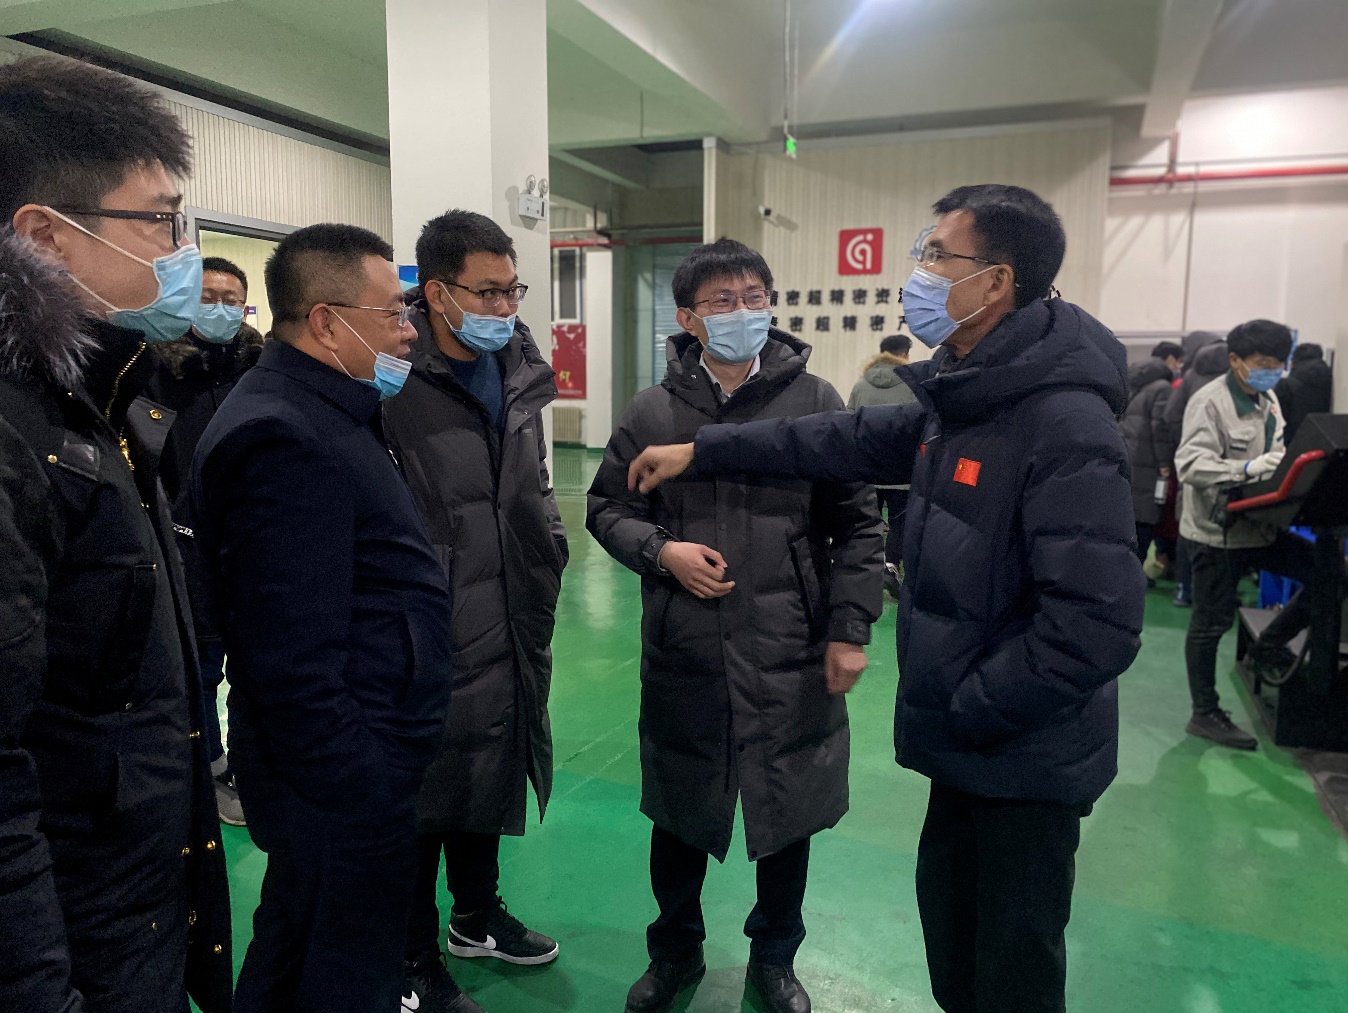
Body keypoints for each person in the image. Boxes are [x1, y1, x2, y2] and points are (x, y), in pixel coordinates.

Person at [626, 186, 1145, 1013]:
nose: (920, 272)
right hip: (970, 750)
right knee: (959, 956)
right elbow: (834, 439)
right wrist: (704, 448)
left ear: (996, 281)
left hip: (1020, 755)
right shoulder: (970, 397)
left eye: (938, 254)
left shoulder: (1061, 419)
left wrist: (967, 703)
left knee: (1011, 967)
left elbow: (1097, 624)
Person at [588, 238, 884, 1013]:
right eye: (723, 300)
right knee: (680, 810)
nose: (743, 311)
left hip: (790, 647)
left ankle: (775, 958)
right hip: (687, 646)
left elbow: (858, 523)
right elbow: (607, 508)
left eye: (755, 296)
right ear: (688, 317)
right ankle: (674, 951)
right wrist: (663, 551)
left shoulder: (816, 400)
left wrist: (849, 626)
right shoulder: (651, 410)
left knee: (787, 811)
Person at [0, 56, 230, 1013]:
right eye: (162, 221)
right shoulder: (17, 435)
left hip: (134, 891)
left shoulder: (100, 400)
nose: (182, 251)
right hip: (79, 931)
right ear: (44, 236)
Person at [190, 223, 453, 1013]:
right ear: (328, 323)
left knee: (298, 944)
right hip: (337, 780)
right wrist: (363, 782)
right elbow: (289, 658)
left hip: (347, 764)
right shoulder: (283, 434)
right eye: (394, 312)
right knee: (345, 972)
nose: (409, 330)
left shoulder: (329, 407)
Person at [381, 210, 566, 1013]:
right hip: (431, 614)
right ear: (436, 291)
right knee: (427, 788)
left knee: (490, 761)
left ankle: (476, 915)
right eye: (486, 292)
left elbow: (533, 478)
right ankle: (411, 956)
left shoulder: (518, 366)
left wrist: (547, 544)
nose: (504, 307)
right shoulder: (391, 373)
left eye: (512, 289)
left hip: (513, 601)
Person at [150, 255, 265, 828]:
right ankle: (209, 766)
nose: (220, 308)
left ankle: (250, 764)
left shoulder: (259, 367)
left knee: (255, 661)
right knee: (200, 666)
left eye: (231, 299)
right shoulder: (158, 371)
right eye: (208, 297)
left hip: (253, 542)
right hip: (187, 545)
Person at [1175, 319, 1313, 751]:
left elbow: (1278, 451)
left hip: (1261, 526)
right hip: (1217, 532)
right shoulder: (1210, 402)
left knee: (1330, 573)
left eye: (1278, 364)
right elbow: (1190, 465)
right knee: (1211, 623)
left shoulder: (1269, 399)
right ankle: (1204, 713)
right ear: (1236, 360)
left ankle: (1267, 646)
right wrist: (1247, 468)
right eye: (1263, 363)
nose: (1272, 371)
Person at [1162, 334, 1228, 606]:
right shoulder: (1233, 381)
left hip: (1192, 462)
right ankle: (1216, 594)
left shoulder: (1190, 377)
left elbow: (1170, 415)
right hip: (1229, 464)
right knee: (1223, 526)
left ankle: (1183, 588)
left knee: (1187, 524)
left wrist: (1187, 443)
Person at [848, 333, 916, 597]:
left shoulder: (861, 385)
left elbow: (849, 424)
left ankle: (865, 571)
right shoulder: (912, 385)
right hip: (901, 470)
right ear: (904, 354)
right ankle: (890, 565)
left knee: (867, 523)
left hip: (867, 470)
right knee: (899, 522)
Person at [1121, 343, 1181, 581]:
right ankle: (1133, 581)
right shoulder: (1162, 388)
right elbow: (1160, 430)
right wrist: (1165, 463)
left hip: (1128, 458)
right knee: (1144, 523)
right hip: (1149, 465)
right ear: (1171, 360)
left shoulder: (1132, 382)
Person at [1274, 342, 1332, 445]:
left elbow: (1277, 419)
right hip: (1321, 440)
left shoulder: (1285, 385)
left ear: (1293, 362)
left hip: (1290, 443)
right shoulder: (1330, 379)